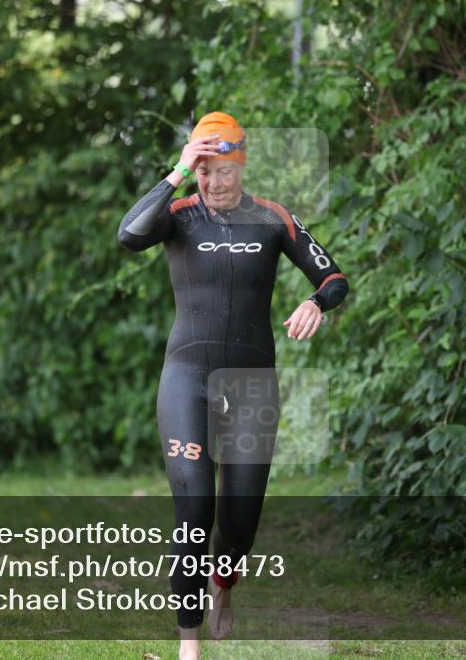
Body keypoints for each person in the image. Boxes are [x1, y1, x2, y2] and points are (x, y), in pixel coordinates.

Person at [118, 111, 349, 660]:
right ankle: (188, 643)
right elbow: (129, 235)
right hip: (186, 379)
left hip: (252, 385)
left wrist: (315, 301)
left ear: (240, 167)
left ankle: (224, 587)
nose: (214, 183)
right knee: (194, 507)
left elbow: (335, 279)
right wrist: (177, 172)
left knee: (239, 525)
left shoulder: (272, 219)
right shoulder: (176, 215)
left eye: (222, 171)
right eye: (204, 173)